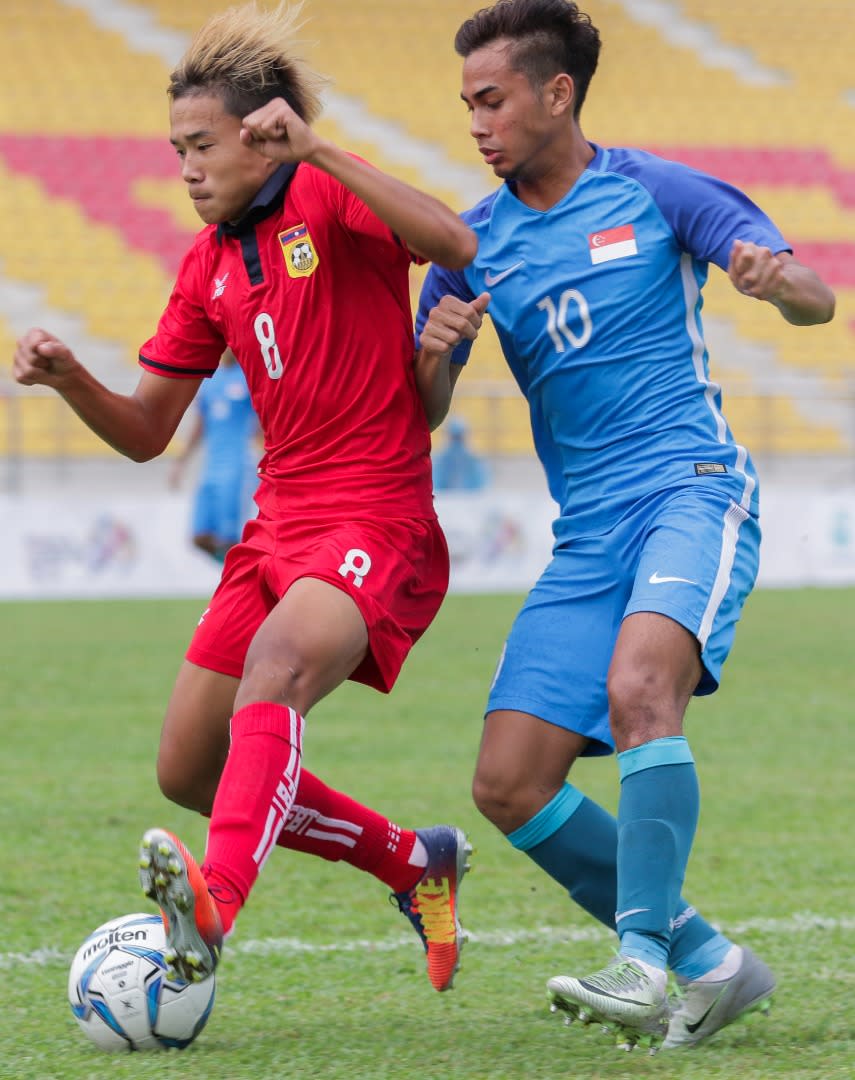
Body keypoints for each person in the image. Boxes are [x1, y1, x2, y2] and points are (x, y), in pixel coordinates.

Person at [13, 1, 478, 996]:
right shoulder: (206, 265)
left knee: (276, 672)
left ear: (263, 137)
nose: (186, 168)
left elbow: (452, 242)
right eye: (177, 149)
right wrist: (72, 379)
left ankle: (214, 902)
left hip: (374, 516)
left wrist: (321, 149)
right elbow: (147, 434)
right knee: (187, 769)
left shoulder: (325, 194)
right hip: (277, 529)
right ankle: (412, 861)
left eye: (201, 146)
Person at [415, 0, 835, 1051]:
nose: (476, 122)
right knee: (508, 782)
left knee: (642, 689)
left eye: (493, 99)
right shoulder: (472, 243)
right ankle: (709, 962)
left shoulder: (654, 190)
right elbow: (420, 414)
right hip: (587, 534)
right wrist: (435, 350)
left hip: (691, 491)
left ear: (558, 94)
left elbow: (819, 301)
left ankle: (642, 960)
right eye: (466, 103)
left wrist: (777, 283)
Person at [169, 349, 260, 562]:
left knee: (231, 539)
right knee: (200, 537)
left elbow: (262, 424)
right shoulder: (209, 381)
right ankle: (236, 575)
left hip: (238, 466)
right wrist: (180, 462)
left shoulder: (249, 377)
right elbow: (200, 426)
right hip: (211, 467)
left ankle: (241, 583)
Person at [432, 415, 490, 491]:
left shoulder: (474, 461)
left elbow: (481, 487)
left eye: (459, 438)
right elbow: (436, 486)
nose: (457, 443)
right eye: (454, 437)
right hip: (445, 501)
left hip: (471, 501)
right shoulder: (440, 461)